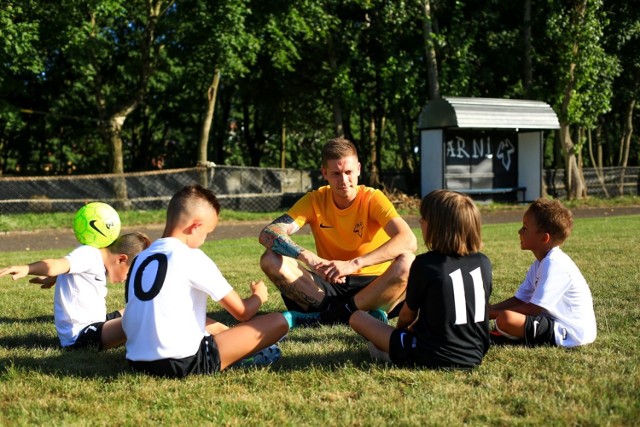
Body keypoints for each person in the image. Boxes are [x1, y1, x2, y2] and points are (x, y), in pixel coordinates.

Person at [122, 184, 289, 378]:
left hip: (135, 361)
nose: (204, 240)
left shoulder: (141, 258)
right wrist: (259, 296)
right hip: (182, 363)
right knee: (279, 321)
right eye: (207, 233)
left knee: (208, 323)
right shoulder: (191, 256)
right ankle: (241, 359)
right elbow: (243, 312)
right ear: (195, 227)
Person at [259, 137, 417, 327]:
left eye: (348, 172)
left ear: (358, 169)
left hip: (375, 284)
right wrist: (310, 258)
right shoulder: (314, 200)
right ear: (324, 173)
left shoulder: (373, 198)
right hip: (330, 283)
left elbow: (408, 240)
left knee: (408, 262)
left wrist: (353, 264)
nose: (343, 180)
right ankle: (359, 315)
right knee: (270, 259)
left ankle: (326, 317)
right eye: (335, 173)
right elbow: (270, 232)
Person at [349, 190, 492, 369]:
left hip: (428, 355)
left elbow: (407, 315)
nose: (420, 221)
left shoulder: (426, 264)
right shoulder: (484, 262)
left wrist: (398, 333)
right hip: (475, 353)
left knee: (357, 317)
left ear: (438, 226)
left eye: (424, 218)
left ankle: (388, 353)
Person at [0, 231, 151, 350]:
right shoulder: (89, 254)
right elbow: (56, 265)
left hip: (97, 324)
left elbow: (71, 271)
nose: (127, 279)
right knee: (143, 316)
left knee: (144, 306)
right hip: (81, 335)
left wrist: (52, 279)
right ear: (121, 259)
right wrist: (27, 268)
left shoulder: (96, 259)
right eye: (130, 273)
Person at [489, 198, 596, 347]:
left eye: (525, 228)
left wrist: (490, 314)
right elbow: (520, 299)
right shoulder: (539, 264)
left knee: (506, 318)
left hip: (569, 333)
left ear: (544, 238)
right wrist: (492, 308)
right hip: (551, 322)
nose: (519, 231)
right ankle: (506, 333)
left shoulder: (555, 264)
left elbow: (533, 309)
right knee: (504, 317)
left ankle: (504, 335)